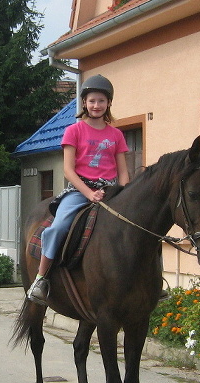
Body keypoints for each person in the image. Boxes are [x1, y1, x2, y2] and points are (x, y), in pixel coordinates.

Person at [27, 74, 130, 305]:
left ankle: (153, 282)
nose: (96, 105)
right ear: (84, 103)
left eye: (101, 101)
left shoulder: (116, 135)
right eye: (92, 101)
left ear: (108, 103)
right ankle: (41, 279)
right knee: (59, 226)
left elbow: (123, 171)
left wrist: (124, 192)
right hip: (79, 190)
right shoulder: (74, 131)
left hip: (110, 191)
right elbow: (68, 170)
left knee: (140, 223)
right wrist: (88, 193)